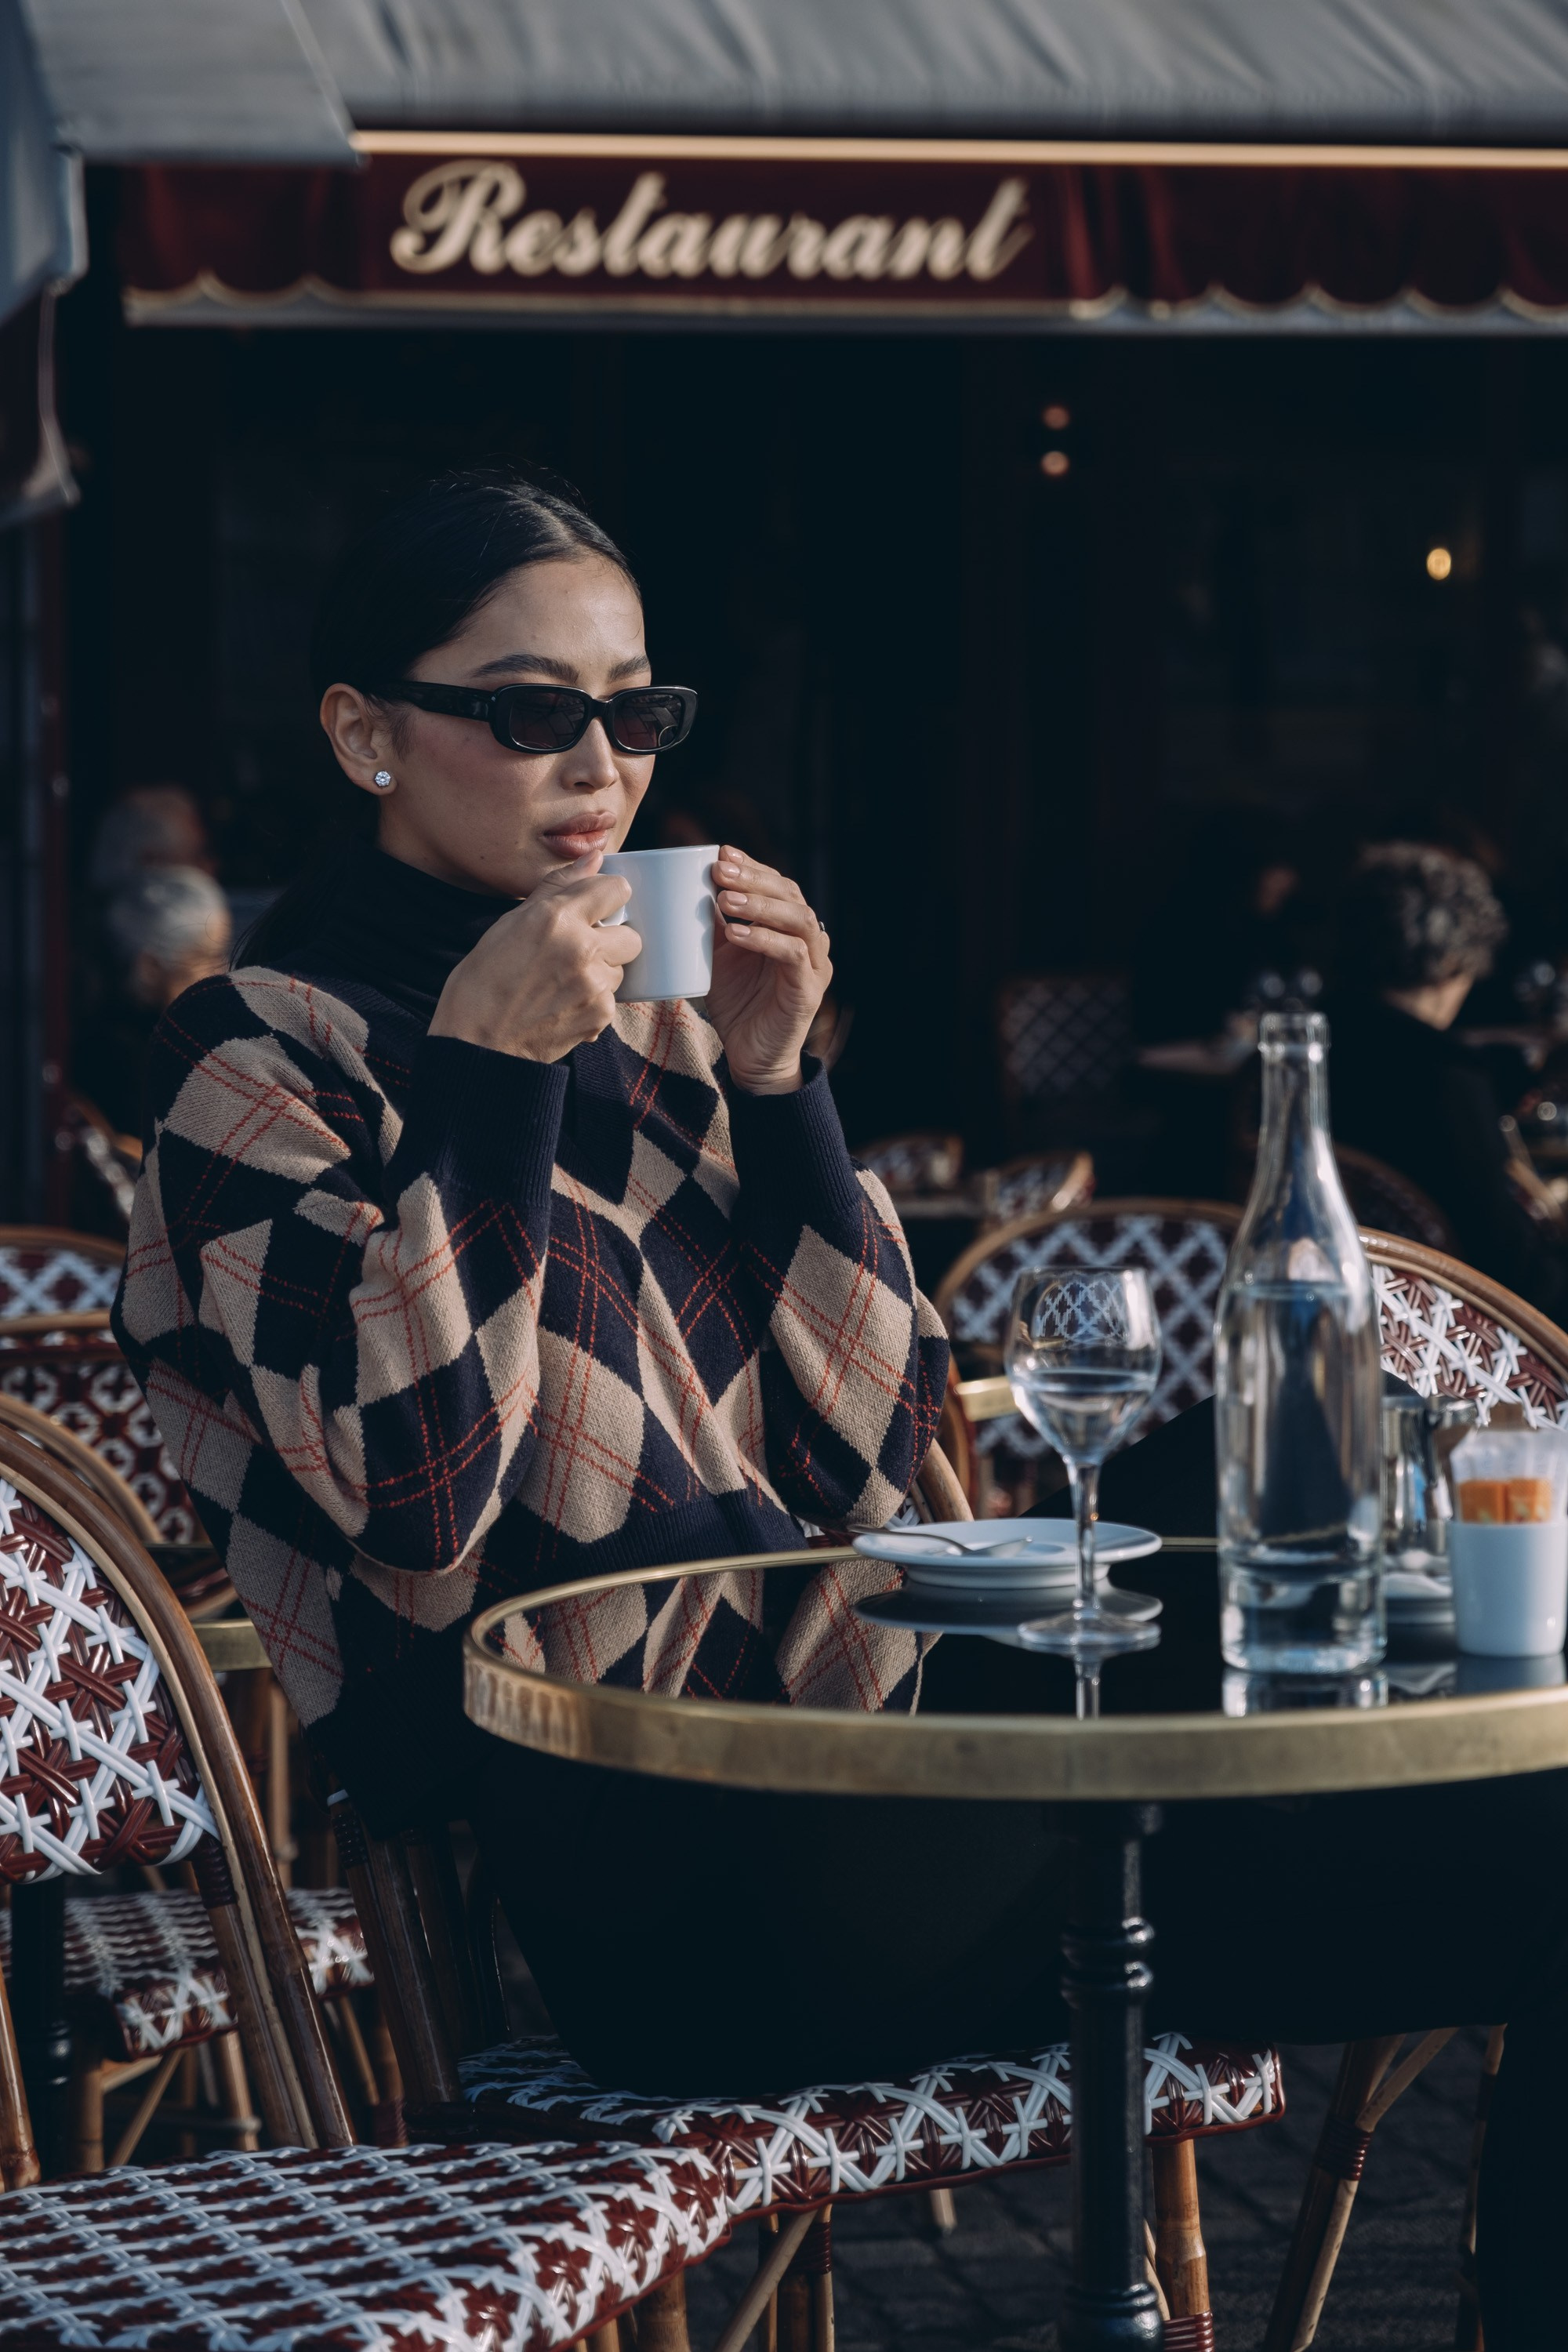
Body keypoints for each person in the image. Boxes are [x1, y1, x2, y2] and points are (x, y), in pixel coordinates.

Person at [113, 475, 1565, 2349]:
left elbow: (885, 1470)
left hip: (880, 1775)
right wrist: (483, 1070)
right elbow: (409, 1500)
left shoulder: (657, 1020)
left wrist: (785, 1081)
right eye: (530, 707)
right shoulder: (253, 1051)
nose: (601, 763)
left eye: (634, 709)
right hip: (627, 1869)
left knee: (1528, 1852)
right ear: (361, 733)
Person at [1328, 840, 1568, 1319]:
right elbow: (1509, 1265)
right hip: (1457, 1332)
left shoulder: (1308, 1055)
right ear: (1453, 960)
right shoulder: (1443, 1080)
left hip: (1339, 1307)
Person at [74, 866, 232, 1136]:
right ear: (150, 968)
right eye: (204, 960)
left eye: (222, 956)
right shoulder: (123, 1059)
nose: (224, 973)